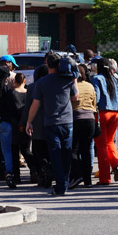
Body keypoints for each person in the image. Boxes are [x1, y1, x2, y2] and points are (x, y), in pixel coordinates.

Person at [26, 53, 79, 196]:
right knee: (66, 154)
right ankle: (65, 183)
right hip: (67, 121)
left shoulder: (41, 82)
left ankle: (60, 186)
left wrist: (29, 122)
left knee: (55, 155)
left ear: (47, 64)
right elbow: (75, 97)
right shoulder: (67, 80)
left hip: (50, 122)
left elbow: (35, 105)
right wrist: (74, 79)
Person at [20, 64, 53, 188]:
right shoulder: (53, 86)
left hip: (37, 123)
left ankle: (43, 173)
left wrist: (24, 122)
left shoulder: (33, 87)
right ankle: (50, 171)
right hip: (51, 122)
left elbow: (28, 107)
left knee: (38, 151)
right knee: (50, 150)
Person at [91, 57, 118, 185]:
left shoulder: (97, 79)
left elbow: (96, 97)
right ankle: (115, 165)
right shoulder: (115, 79)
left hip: (102, 113)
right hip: (115, 113)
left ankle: (104, 178)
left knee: (101, 146)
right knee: (110, 142)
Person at [69, 64, 96, 189]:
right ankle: (88, 180)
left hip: (76, 118)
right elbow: (94, 103)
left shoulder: (72, 86)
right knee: (86, 150)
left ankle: (77, 174)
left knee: (73, 149)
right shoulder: (90, 85)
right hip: (90, 119)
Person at [10, 72, 37, 183]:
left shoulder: (11, 93)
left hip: (15, 124)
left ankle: (16, 176)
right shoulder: (29, 93)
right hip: (27, 123)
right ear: (25, 81)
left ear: (15, 81)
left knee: (15, 150)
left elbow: (10, 110)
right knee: (26, 149)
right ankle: (34, 170)